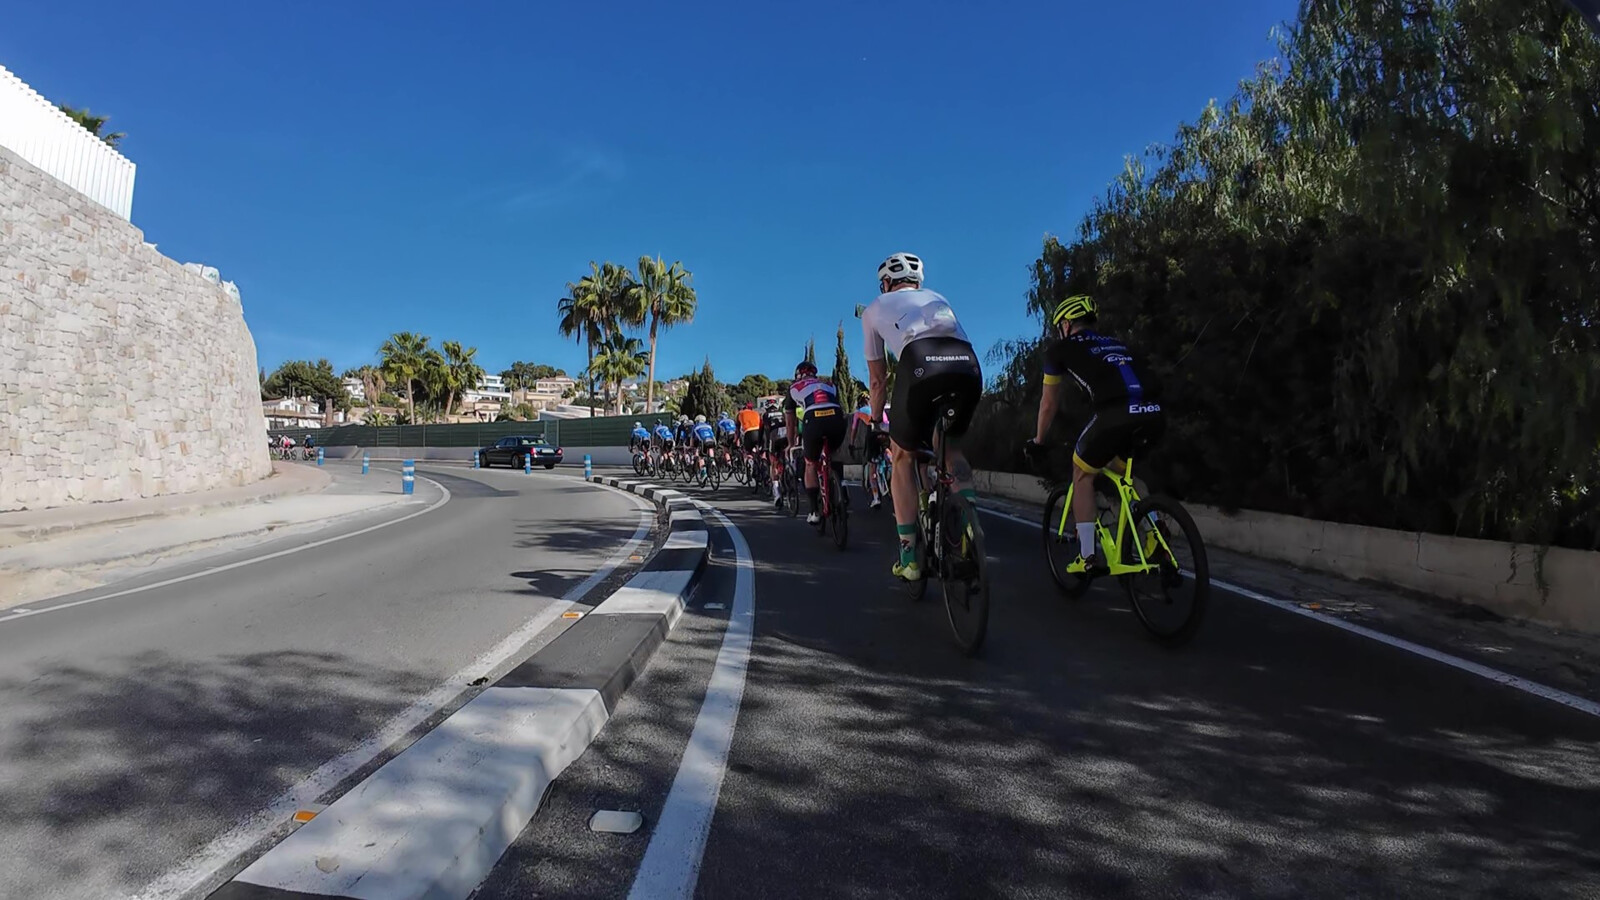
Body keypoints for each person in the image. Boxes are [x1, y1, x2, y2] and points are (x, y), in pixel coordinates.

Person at [861, 251, 983, 581]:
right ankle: (971, 527)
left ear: (886, 282)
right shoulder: (938, 297)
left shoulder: (874, 308)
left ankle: (909, 557)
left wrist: (876, 421)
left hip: (920, 363)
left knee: (902, 455)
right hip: (967, 365)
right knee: (950, 447)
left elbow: (878, 379)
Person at [1025, 294, 1165, 573]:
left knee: (1082, 474)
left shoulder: (1059, 349)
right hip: (1154, 414)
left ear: (1066, 324)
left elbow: (1049, 404)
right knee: (1123, 474)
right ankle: (1155, 531)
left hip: (1115, 415)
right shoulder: (1118, 343)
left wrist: (1039, 440)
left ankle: (1087, 556)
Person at [785, 360, 846, 525]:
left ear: (798, 375)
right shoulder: (829, 384)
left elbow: (790, 422)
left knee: (810, 463)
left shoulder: (794, 387)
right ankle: (842, 488)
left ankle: (814, 511)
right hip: (836, 418)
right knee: (834, 454)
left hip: (813, 420)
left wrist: (791, 443)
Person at [761, 398, 788, 505]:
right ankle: (790, 472)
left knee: (773, 463)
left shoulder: (766, 415)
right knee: (786, 454)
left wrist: (764, 448)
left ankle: (776, 493)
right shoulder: (781, 413)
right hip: (786, 435)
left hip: (774, 436)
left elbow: (766, 432)